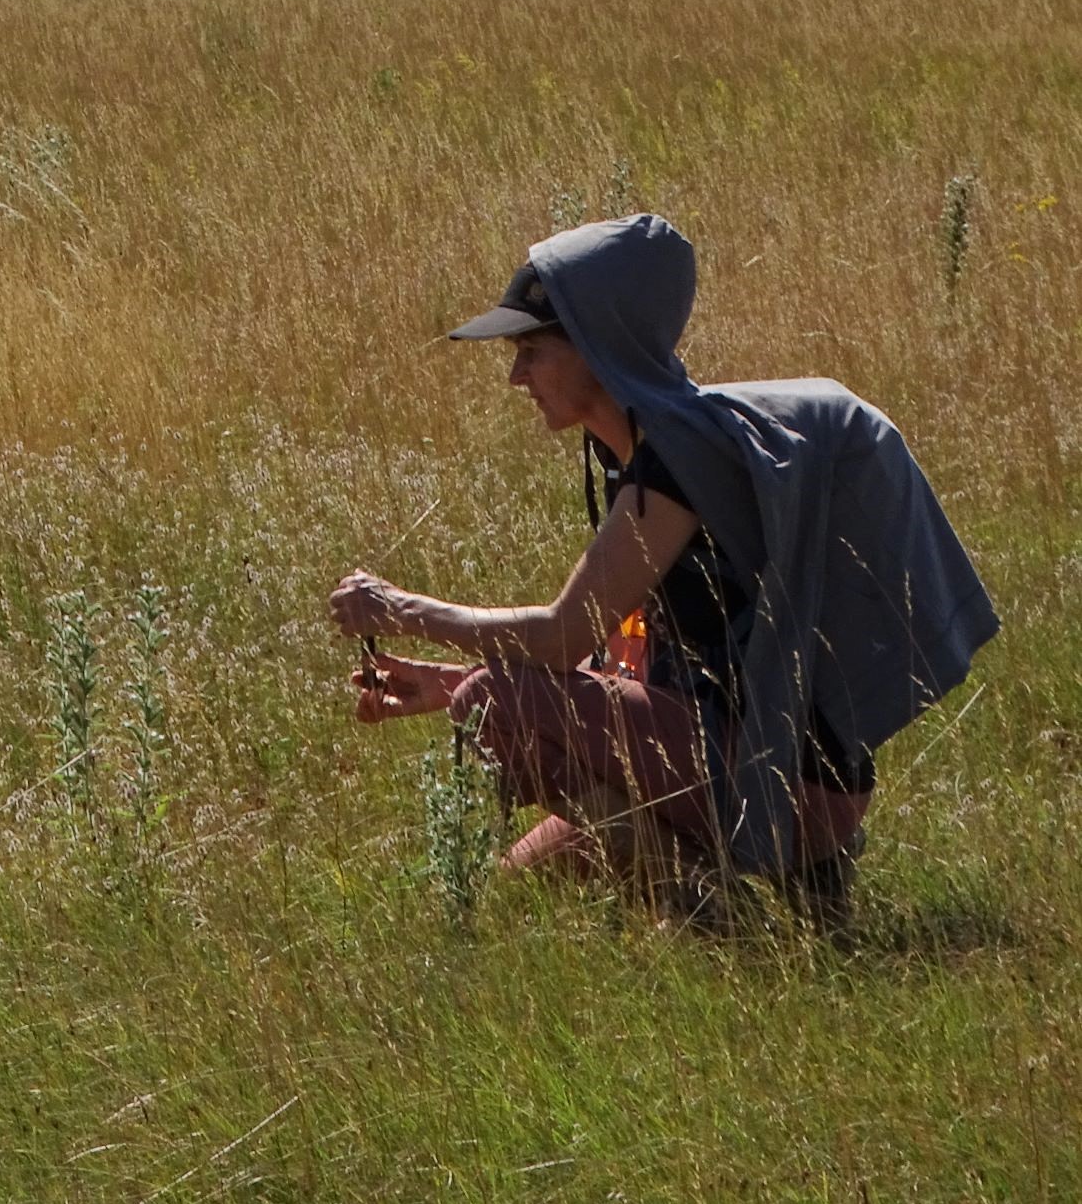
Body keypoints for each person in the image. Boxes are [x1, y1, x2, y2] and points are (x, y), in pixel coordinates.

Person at [328, 214, 998, 927]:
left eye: (531, 350)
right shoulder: (648, 453)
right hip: (740, 756)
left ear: (595, 345)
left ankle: (724, 923)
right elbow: (625, 654)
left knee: (491, 704)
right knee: (524, 877)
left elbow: (561, 636)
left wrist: (401, 608)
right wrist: (445, 681)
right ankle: (749, 894)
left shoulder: (679, 460)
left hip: (785, 777)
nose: (515, 374)